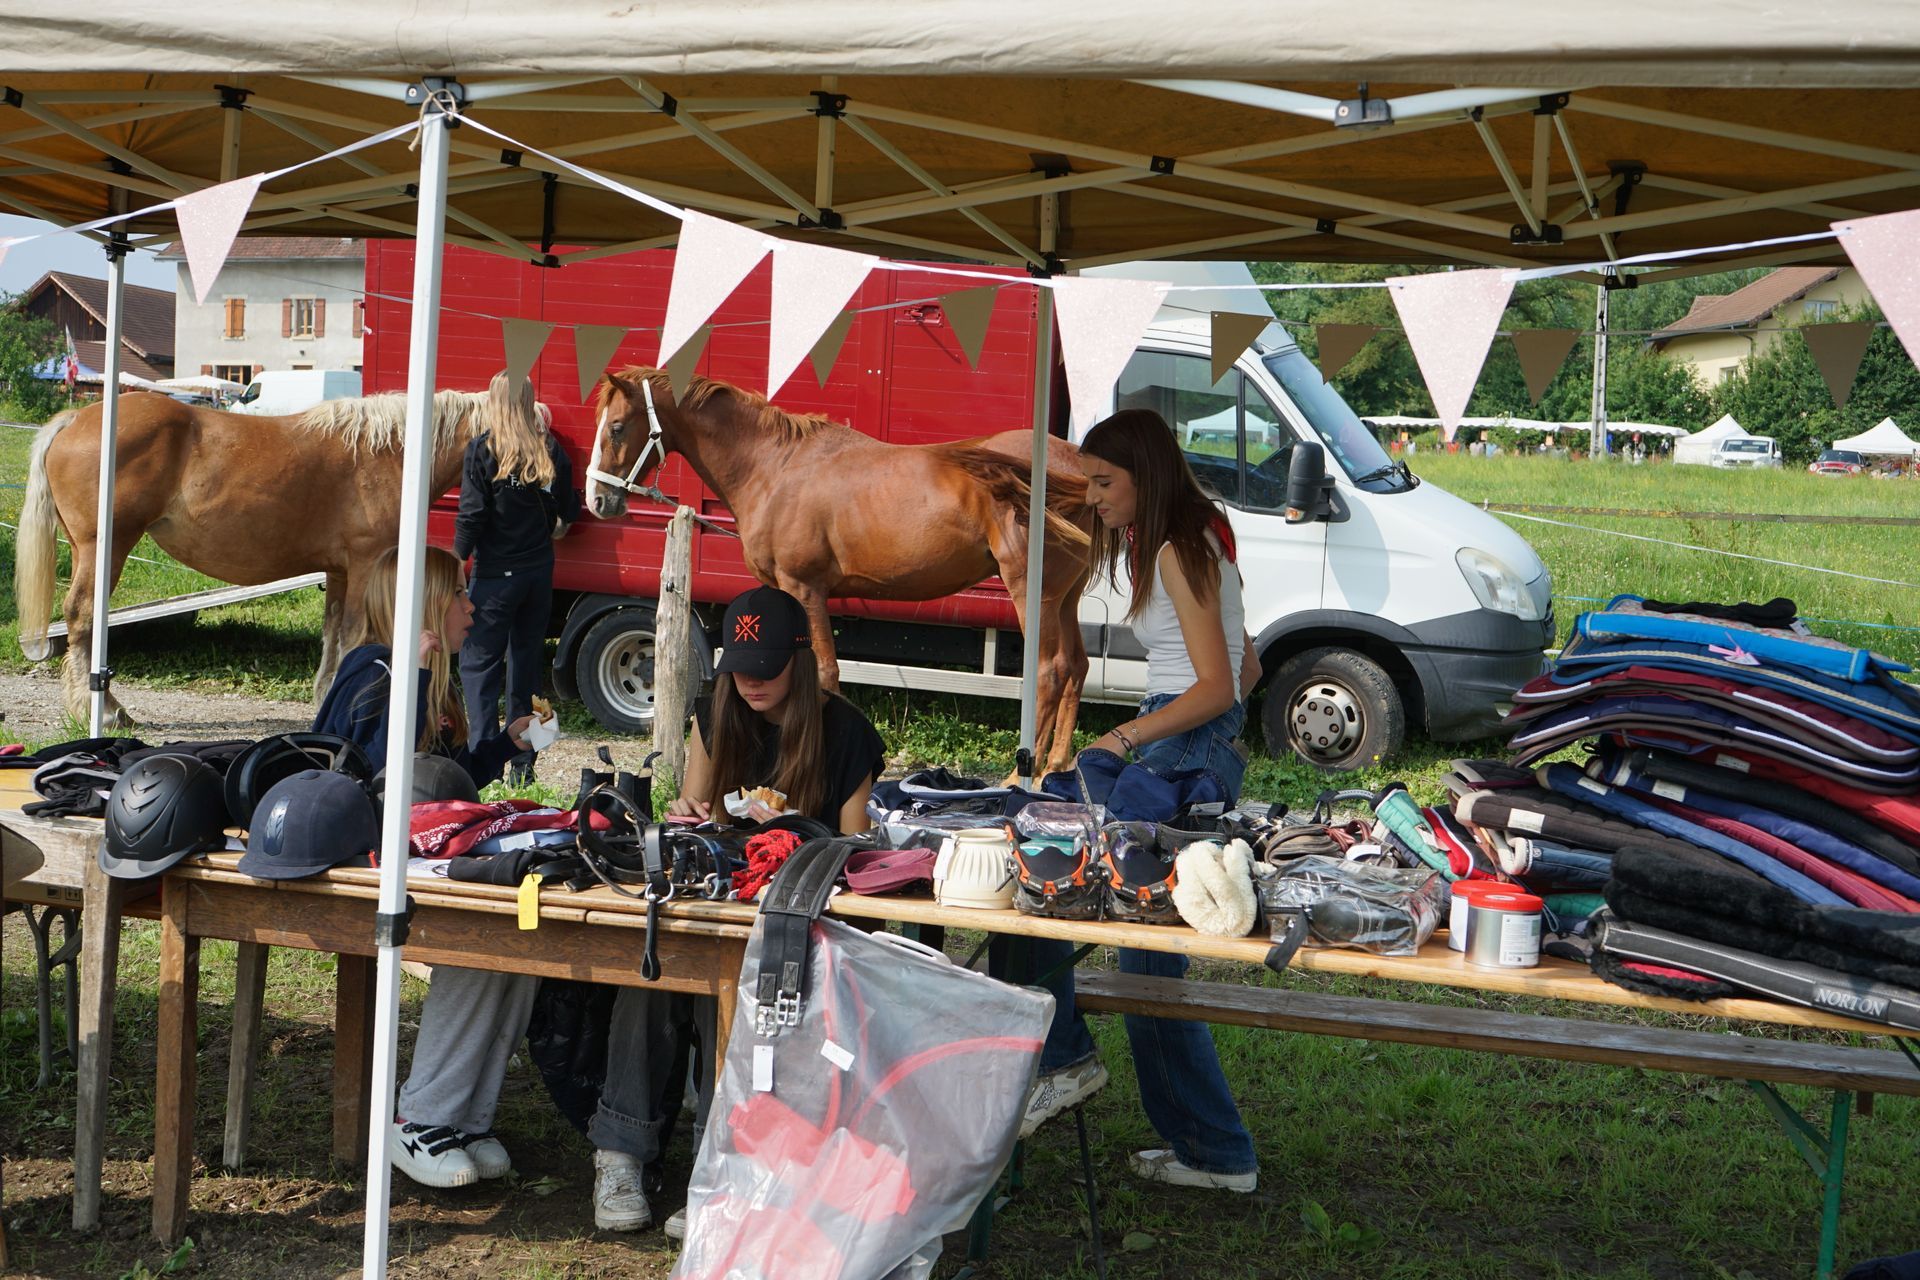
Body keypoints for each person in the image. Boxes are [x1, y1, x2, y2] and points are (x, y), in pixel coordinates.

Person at [587, 584, 886, 1234]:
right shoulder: (715, 714)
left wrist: (799, 832)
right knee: (655, 968)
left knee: (736, 990)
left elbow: (857, 856)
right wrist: (695, 814)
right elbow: (699, 817)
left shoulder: (847, 734)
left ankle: (717, 1168)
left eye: (766, 668)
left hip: (798, 916)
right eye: (739, 668)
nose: (749, 682)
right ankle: (620, 1152)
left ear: (800, 661)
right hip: (722, 896)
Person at [1019, 407, 1262, 1193]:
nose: (1091, 498)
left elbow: (1219, 683)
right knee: (1144, 947)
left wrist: (1125, 738)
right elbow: (1248, 667)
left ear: (1144, 475)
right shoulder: (1201, 534)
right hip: (1199, 744)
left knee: (1057, 870)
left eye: (1103, 481)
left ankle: (1066, 1059)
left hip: (1184, 742)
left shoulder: (1177, 545)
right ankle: (1211, 1150)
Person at [315, 544, 536, 1189]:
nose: (472, 606)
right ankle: (420, 1118)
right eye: (460, 594)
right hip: (369, 866)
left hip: (427, 856)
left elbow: (447, 780)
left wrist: (507, 746)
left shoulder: (432, 679)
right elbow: (375, 773)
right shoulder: (374, 671)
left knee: (525, 930)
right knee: (480, 935)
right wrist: (410, 676)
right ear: (430, 604)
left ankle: (464, 1116)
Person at [454, 372, 578, 785]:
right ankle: (524, 770)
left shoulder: (482, 451)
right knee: (524, 669)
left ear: (494, 402)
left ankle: (483, 765)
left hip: (495, 579)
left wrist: (456, 560)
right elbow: (571, 510)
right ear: (529, 404)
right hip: (538, 576)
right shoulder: (549, 451)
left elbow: (472, 516)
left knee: (479, 668)